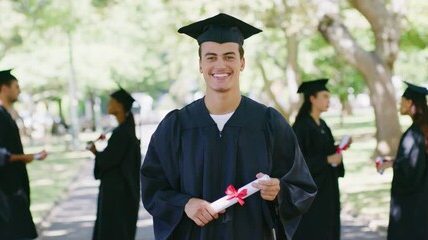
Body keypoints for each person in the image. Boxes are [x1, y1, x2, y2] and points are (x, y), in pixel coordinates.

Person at [140, 13, 317, 240]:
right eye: (211, 57)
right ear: (201, 65)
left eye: (229, 56)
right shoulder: (177, 126)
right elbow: (153, 186)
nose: (220, 65)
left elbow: (302, 187)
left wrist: (279, 190)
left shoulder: (268, 123)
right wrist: (185, 203)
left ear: (242, 63)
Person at [376, 82, 428, 240]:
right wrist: (396, 161)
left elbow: (409, 170)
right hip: (424, 200)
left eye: (402, 100)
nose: (400, 103)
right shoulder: (425, 131)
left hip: (411, 205)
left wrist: (392, 164)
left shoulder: (414, 133)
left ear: (410, 103)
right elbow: (416, 163)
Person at [292, 78, 350, 239]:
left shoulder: (323, 125)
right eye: (324, 96)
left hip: (328, 188)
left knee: (329, 227)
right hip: (311, 193)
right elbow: (296, 162)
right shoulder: (301, 127)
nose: (328, 100)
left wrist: (339, 150)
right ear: (312, 98)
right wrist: (326, 160)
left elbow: (328, 153)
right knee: (314, 230)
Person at [0, 69, 48, 239]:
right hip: (6, 189)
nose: (19, 90)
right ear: (4, 88)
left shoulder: (7, 115)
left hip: (14, 184)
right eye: (16, 86)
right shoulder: (0, 116)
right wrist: (25, 157)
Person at [87, 88, 141, 240]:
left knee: (113, 231)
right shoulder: (125, 130)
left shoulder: (122, 134)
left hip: (117, 194)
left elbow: (107, 161)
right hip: (120, 191)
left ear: (119, 105)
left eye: (111, 102)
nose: (108, 105)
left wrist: (95, 152)